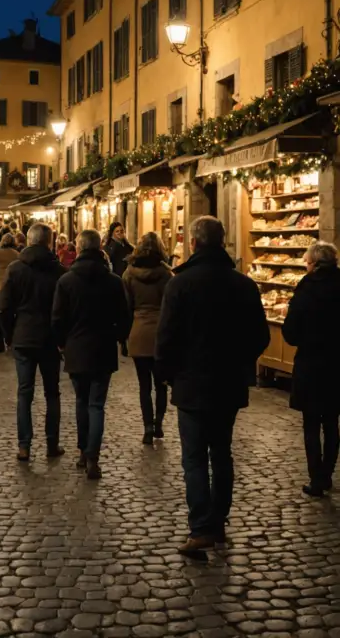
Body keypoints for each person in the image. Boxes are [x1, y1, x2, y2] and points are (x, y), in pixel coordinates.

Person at [156, 216, 269, 556]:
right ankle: (218, 522)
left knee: (193, 457)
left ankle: (201, 527)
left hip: (191, 384)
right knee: (221, 453)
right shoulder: (244, 285)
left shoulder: (179, 284)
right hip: (229, 383)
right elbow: (260, 337)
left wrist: (169, 374)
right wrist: (239, 361)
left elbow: (166, 338)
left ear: (193, 243)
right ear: (222, 242)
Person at [52, 229, 130, 481]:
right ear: (99, 249)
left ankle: (83, 452)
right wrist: (118, 337)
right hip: (103, 348)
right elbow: (125, 317)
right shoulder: (113, 281)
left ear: (79, 248)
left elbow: (57, 319)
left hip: (76, 348)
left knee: (81, 402)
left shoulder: (66, 281)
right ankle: (93, 456)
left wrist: (61, 344)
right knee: (97, 405)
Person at [0, 223, 66, 462]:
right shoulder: (58, 271)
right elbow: (63, 310)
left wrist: (9, 335)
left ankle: (24, 445)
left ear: (27, 241)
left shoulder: (16, 269)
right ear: (49, 242)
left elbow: (4, 307)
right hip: (49, 338)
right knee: (52, 393)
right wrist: (62, 338)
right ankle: (52, 443)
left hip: (24, 336)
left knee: (24, 393)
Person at [283, 241, 340, 498]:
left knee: (310, 423)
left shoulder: (306, 289)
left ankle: (316, 477)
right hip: (337, 363)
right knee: (331, 422)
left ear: (314, 264)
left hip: (311, 364)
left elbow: (291, 332)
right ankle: (327, 472)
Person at [123, 232, 173, 445]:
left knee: (144, 385)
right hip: (161, 333)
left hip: (139, 330)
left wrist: (124, 337)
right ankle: (159, 423)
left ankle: (147, 427)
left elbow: (126, 307)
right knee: (161, 384)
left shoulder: (129, 274)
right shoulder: (166, 274)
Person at [0, 233, 20, 353]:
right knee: (13, 313)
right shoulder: (17, 254)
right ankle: (12, 340)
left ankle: (1, 343)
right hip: (14, 287)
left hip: (0, 287)